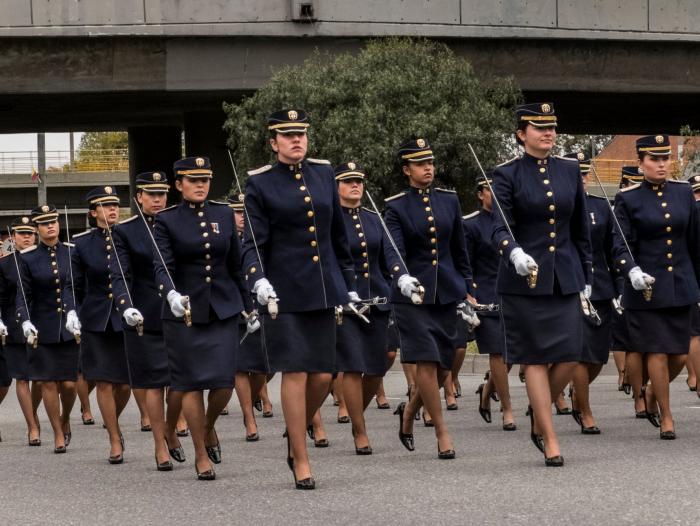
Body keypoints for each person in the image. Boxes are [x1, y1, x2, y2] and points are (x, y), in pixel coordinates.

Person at [242, 109, 357, 489]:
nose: (296, 141)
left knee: (324, 375)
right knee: (296, 371)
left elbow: (337, 234)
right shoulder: (259, 184)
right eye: (287, 135)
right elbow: (254, 244)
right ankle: (300, 455)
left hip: (323, 287)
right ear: (274, 142)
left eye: (301, 135)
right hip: (284, 291)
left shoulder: (324, 173)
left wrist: (350, 281)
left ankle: (295, 431)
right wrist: (258, 280)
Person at [492, 103, 592, 466]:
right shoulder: (506, 174)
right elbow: (499, 227)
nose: (548, 133)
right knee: (534, 358)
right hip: (524, 280)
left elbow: (580, 230)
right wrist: (514, 253)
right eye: (538, 128)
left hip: (564, 276)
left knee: (569, 355)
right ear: (521, 134)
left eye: (551, 127)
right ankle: (549, 436)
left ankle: (538, 412)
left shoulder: (569, 170)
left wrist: (587, 278)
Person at [153, 156, 252, 481]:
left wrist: (249, 303)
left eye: (205, 180)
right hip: (185, 312)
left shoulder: (224, 213)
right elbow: (162, 265)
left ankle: (207, 427)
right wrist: (170, 294)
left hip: (223, 307)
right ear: (179, 185)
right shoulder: (166, 220)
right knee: (192, 384)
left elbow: (236, 264)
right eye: (192, 181)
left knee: (224, 381)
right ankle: (199, 454)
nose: (199, 186)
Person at [386, 137, 473, 460]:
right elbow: (394, 251)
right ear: (407, 169)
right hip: (413, 297)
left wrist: (467, 285)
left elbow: (459, 249)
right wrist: (403, 278)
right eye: (421, 164)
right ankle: (442, 432)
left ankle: (409, 411)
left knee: (443, 366)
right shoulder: (396, 207)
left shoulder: (449, 201)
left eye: (431, 163)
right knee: (426, 360)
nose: (428, 169)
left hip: (446, 292)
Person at [612, 135, 700, 440]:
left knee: (678, 354)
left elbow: (694, 242)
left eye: (665, 159)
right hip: (647, 288)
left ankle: (651, 393)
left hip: (681, 286)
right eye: (654, 159)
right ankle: (666, 414)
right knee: (659, 352)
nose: (661, 164)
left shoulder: (683, 192)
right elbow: (620, 245)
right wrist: (631, 271)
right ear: (641, 162)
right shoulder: (628, 198)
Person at [109, 171, 184, 471]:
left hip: (178, 311)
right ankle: (159, 444)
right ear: (139, 197)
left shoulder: (179, 223)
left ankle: (170, 429)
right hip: (144, 314)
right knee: (154, 384)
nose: (157, 199)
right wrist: (126, 305)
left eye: (162, 194)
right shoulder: (125, 231)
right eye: (151, 194)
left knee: (179, 383)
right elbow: (120, 274)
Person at [333, 162, 392, 454]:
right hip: (347, 304)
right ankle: (359, 429)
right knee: (354, 366)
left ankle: (359, 413)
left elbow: (384, 259)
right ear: (337, 187)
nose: (355, 186)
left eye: (358, 181)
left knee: (379, 365)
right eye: (348, 182)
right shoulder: (330, 220)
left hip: (377, 299)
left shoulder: (373, 218)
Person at [72, 187, 131, 464]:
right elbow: (78, 286)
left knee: (126, 384)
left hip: (126, 317)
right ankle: (115, 439)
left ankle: (112, 422)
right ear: (93, 212)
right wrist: (76, 313)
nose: (112, 210)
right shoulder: (82, 244)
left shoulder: (128, 236)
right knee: (104, 381)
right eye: (105, 206)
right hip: (96, 319)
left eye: (115, 205)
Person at [16, 205, 81, 453]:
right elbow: (23, 295)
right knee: (47, 384)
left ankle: (65, 419)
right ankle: (57, 432)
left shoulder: (72, 253)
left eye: (53, 222)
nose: (50, 226)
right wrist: (24, 320)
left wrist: (77, 312)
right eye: (44, 223)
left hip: (68, 326)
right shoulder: (28, 257)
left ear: (58, 224)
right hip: (41, 326)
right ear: (38, 229)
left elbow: (79, 287)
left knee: (69, 385)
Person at [565, 152, 619, 434]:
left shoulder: (600, 206)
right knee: (580, 353)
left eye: (584, 174)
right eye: (576, 174)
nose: (582, 180)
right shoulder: (560, 208)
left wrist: (621, 285)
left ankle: (578, 392)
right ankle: (585, 410)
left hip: (599, 287)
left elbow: (613, 249)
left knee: (598, 355)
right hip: (571, 287)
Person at [463, 174, 515, 431]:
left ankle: (487, 392)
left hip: (514, 293)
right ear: (480, 194)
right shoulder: (471, 225)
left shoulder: (513, 220)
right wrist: (468, 292)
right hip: (485, 294)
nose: (494, 194)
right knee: (497, 351)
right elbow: (466, 262)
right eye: (489, 190)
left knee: (512, 354)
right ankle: (507, 408)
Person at [227, 194, 269, 442]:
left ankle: (254, 398)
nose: (242, 217)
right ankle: (248, 417)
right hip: (236, 305)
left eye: (245, 212)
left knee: (262, 365)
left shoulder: (259, 239)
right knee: (241, 366)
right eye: (237, 212)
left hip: (260, 303)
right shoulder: (223, 238)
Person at [0, 217, 42, 445]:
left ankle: (34, 414)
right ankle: (32, 426)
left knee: (41, 379)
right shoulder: (5, 264)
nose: (27, 237)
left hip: (41, 323)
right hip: (15, 326)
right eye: (21, 234)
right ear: (13, 238)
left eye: (30, 233)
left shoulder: (42, 259)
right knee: (22, 378)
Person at [685, 174, 700, 398]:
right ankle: (696, 375)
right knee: (695, 332)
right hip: (693, 277)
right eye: (696, 193)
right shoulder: (688, 214)